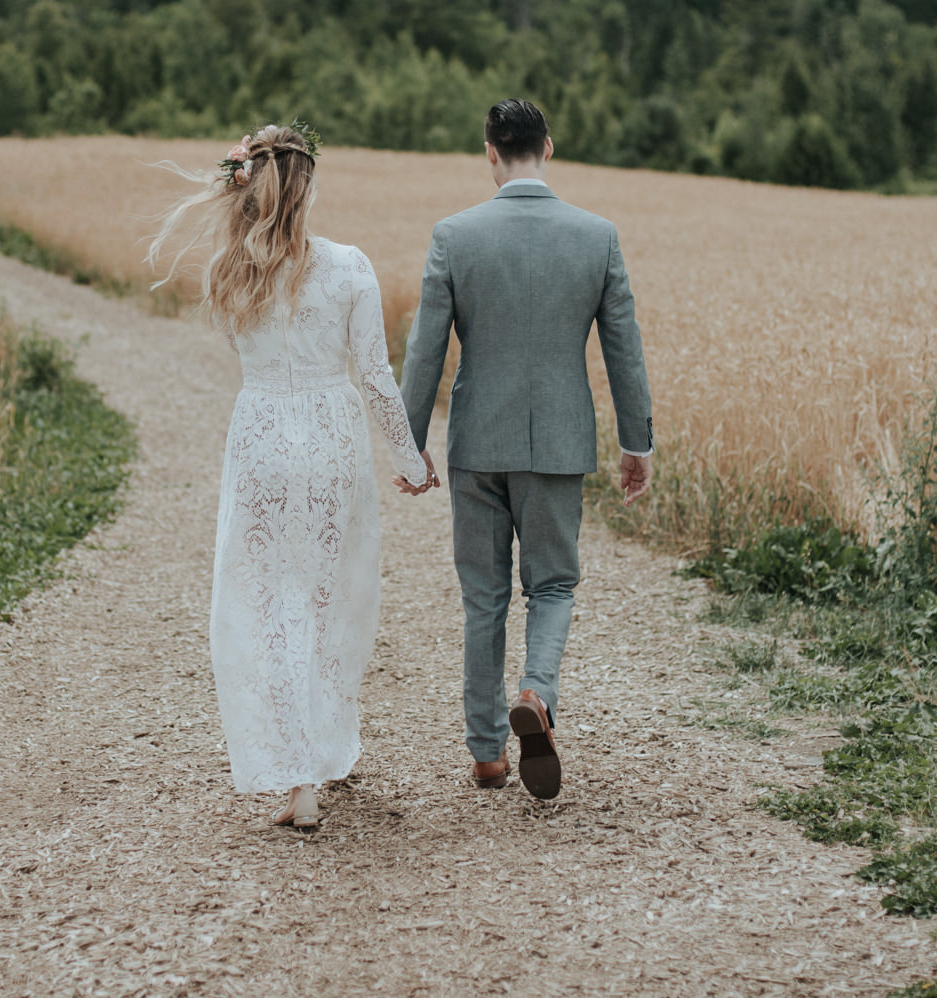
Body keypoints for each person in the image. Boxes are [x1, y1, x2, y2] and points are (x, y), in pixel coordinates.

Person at [150, 122, 433, 832]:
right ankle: (319, 750)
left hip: (263, 438)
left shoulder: (229, 271)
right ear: (308, 185)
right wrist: (412, 460)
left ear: (248, 184)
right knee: (331, 598)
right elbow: (373, 376)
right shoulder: (350, 266)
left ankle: (298, 777)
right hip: (333, 440)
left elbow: (241, 349)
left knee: (270, 604)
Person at [398, 99, 653, 800]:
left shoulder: (455, 235)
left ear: (489, 151)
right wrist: (639, 442)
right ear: (549, 145)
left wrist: (408, 443)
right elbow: (623, 348)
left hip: (477, 439)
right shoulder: (596, 236)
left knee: (483, 597)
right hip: (561, 442)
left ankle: (486, 753)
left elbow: (425, 351)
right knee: (554, 585)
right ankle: (536, 696)